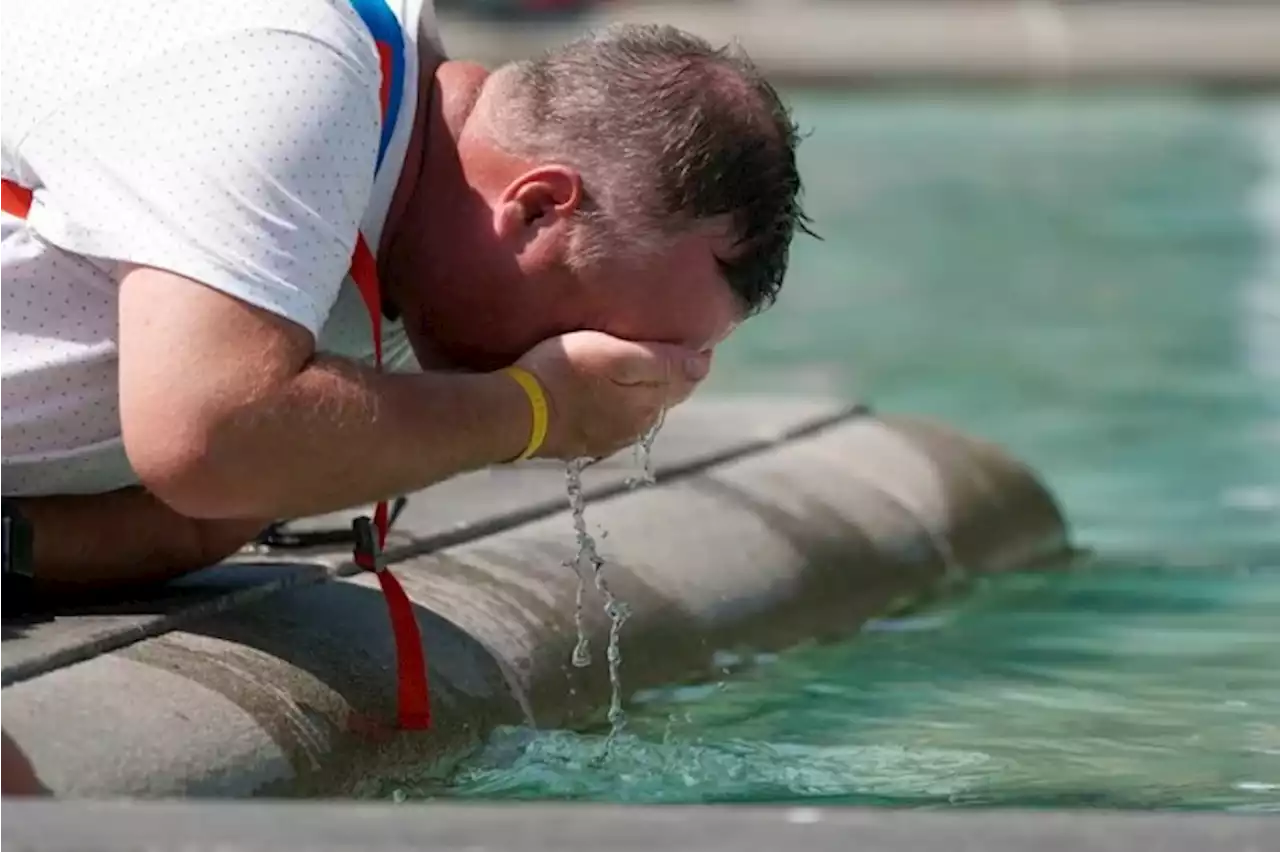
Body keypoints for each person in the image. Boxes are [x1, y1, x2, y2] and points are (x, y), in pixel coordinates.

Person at [0, 0, 810, 595]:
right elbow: (210, 437)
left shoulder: (400, 253)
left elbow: (205, 516)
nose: (608, 372)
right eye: (603, 337)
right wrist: (534, 410)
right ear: (534, 206)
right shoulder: (295, 69)